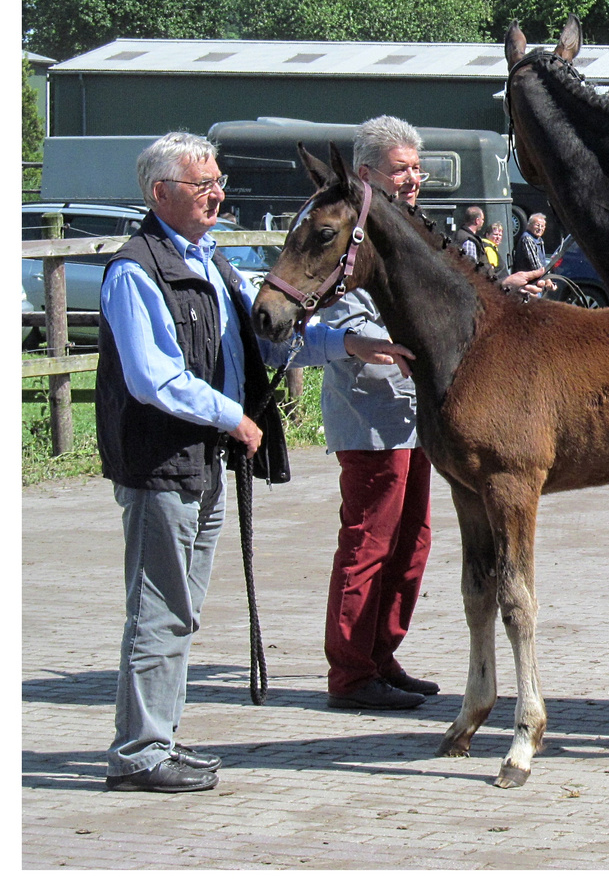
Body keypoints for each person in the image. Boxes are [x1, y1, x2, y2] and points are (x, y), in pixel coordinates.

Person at [98, 132, 412, 792]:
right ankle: (139, 752)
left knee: (179, 608)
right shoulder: (135, 268)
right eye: (202, 185)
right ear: (161, 194)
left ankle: (157, 739)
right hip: (162, 461)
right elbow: (153, 376)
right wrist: (230, 415)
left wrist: (346, 343)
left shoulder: (212, 264)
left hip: (203, 463)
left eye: (218, 183)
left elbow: (270, 344)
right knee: (159, 608)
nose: (217, 195)